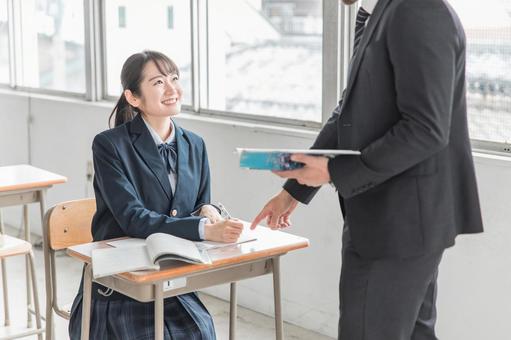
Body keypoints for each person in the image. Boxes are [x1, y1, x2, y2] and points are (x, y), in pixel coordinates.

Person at [251, 0, 483, 339]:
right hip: (392, 219)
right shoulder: (381, 13)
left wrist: (333, 172)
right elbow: (349, 111)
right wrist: (294, 191)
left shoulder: (417, 9)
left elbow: (425, 129)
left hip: (399, 223)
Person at [69, 50, 244, 340]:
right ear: (133, 97)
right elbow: (133, 218)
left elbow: (199, 200)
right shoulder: (109, 145)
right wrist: (205, 230)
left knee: (201, 332)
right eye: (159, 82)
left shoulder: (195, 144)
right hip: (121, 285)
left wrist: (208, 210)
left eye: (174, 78)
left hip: (174, 281)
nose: (172, 89)